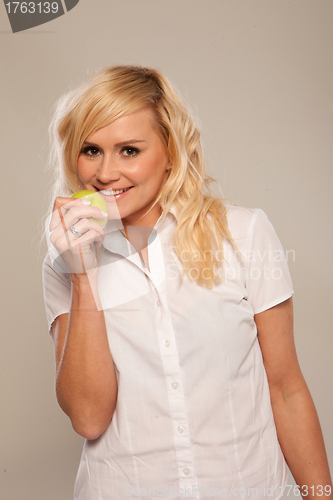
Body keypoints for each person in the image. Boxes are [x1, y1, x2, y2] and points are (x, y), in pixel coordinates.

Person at [43, 65, 332, 500]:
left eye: (129, 150)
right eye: (90, 150)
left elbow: (287, 389)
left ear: (171, 152)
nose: (105, 173)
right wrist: (82, 275)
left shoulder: (244, 232)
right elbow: (88, 417)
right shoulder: (63, 259)